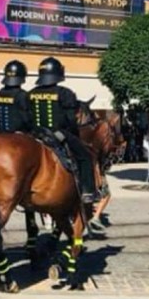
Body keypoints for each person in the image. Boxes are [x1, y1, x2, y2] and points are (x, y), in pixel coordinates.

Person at [28, 57, 96, 217]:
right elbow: (70, 120)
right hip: (58, 134)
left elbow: (27, 117)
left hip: (35, 134)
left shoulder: (30, 94)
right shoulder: (65, 93)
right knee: (85, 156)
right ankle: (88, 192)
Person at [0, 59, 33, 133]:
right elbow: (25, 118)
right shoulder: (21, 94)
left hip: (1, 132)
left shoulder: (0, 92)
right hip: (18, 133)